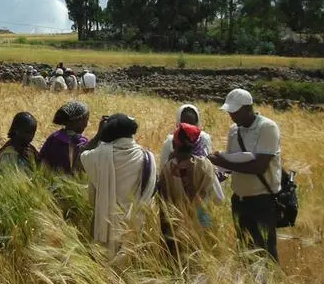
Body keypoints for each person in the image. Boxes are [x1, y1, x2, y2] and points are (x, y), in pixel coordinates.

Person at [208, 88, 282, 262]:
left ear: (248, 108)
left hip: (262, 200)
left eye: (235, 112)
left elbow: (259, 166)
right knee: (244, 248)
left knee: (265, 251)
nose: (231, 116)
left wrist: (220, 162)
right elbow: (233, 163)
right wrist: (214, 173)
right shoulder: (234, 130)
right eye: (229, 112)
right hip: (239, 199)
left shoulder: (267, 128)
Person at [79, 114, 157, 259]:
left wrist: (98, 135)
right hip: (132, 225)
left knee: (101, 267)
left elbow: (81, 157)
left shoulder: (100, 154)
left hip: (104, 223)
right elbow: (152, 190)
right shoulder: (147, 157)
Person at [158, 123, 224, 258]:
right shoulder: (205, 165)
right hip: (201, 222)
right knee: (201, 257)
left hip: (175, 226)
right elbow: (213, 198)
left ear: (175, 145)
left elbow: (163, 200)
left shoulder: (168, 168)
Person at [38, 101, 89, 175]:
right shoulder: (81, 143)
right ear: (79, 121)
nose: (87, 124)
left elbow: (41, 162)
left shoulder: (53, 138)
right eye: (86, 120)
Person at [159, 104, 213, 169]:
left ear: (197, 123)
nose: (188, 129)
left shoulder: (204, 139)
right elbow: (163, 168)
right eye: (185, 125)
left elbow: (208, 165)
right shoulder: (171, 140)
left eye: (192, 124)